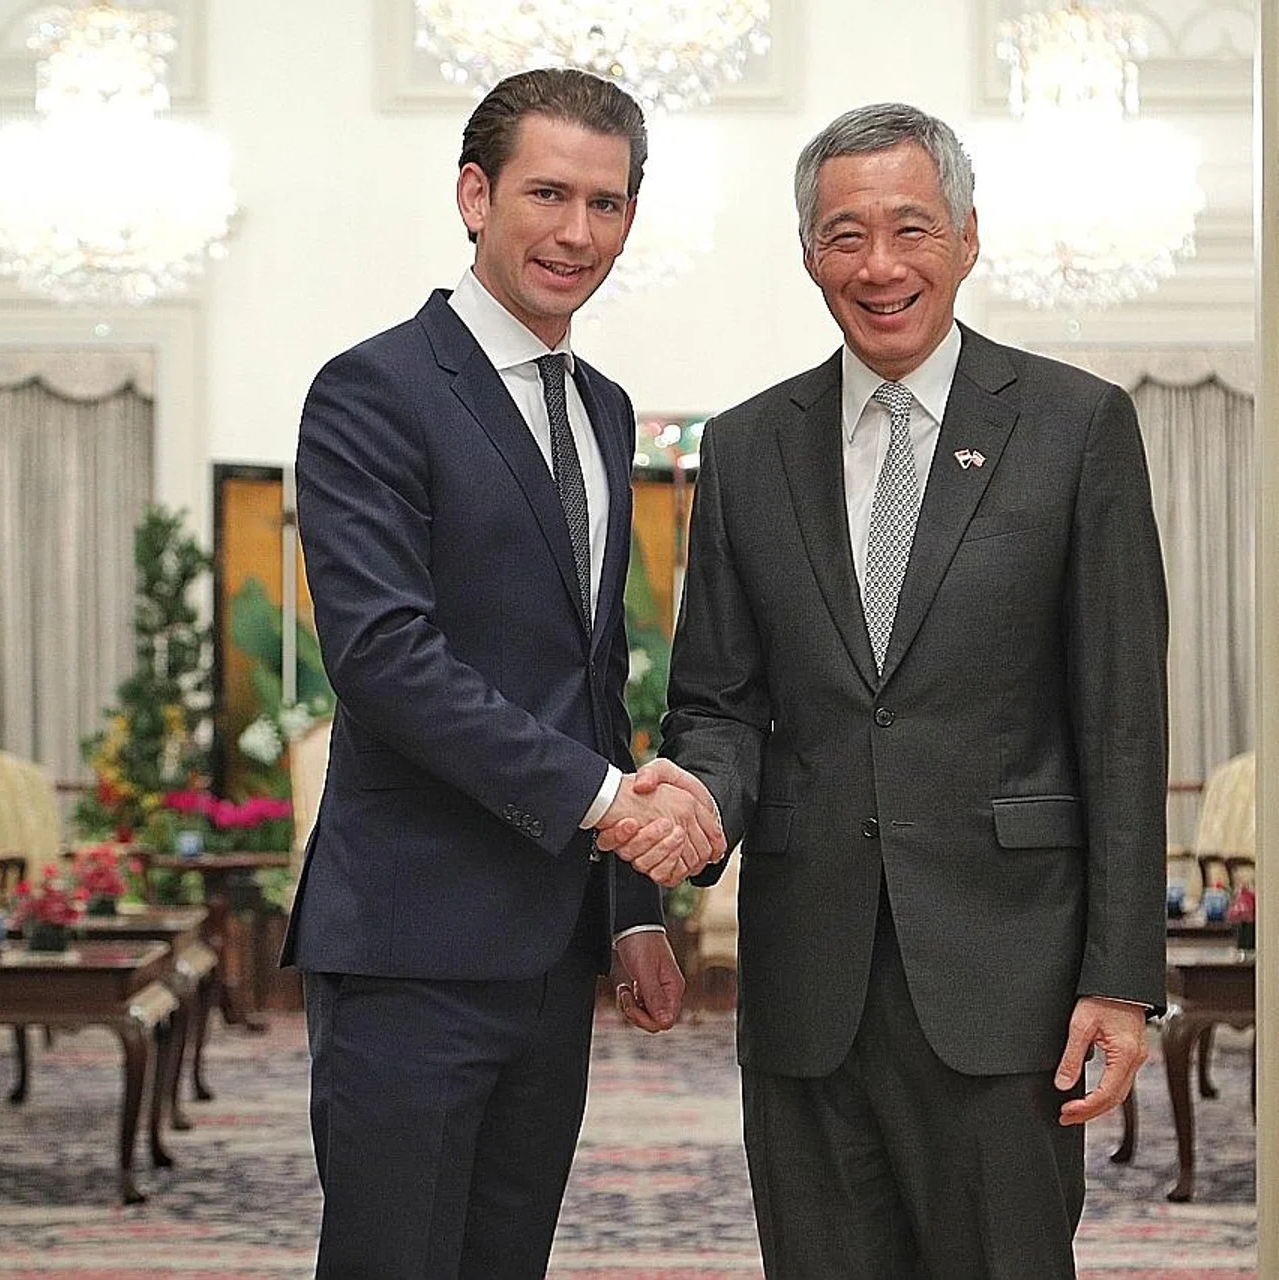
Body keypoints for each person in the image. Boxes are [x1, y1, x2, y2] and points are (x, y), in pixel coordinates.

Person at [603, 102, 1169, 1278]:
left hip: (1005, 980)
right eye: (844, 235)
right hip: (809, 985)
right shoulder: (752, 445)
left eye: (911, 227)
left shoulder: (1074, 428)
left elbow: (1120, 726)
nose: (880, 265)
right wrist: (695, 803)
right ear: (808, 253)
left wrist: (1121, 977)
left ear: (967, 235)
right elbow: (718, 702)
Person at [280, 67, 724, 1279]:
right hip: (412, 943)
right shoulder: (372, 389)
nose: (579, 233)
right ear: (475, 195)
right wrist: (610, 805)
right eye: (547, 193)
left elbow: (588, 676)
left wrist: (628, 908)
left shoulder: (607, 408)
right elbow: (382, 659)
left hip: (549, 949)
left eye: (609, 202)